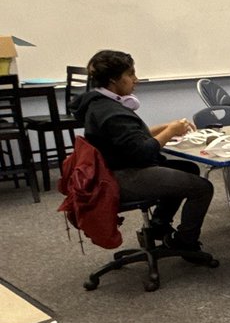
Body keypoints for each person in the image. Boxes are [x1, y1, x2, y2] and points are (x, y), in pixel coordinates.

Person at [73, 49, 214, 252]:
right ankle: (185, 242)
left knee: (188, 168)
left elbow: (131, 138)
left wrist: (166, 127)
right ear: (114, 80)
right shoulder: (111, 112)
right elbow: (142, 152)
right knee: (202, 188)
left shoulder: (100, 104)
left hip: (112, 170)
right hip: (122, 176)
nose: (135, 80)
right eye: (130, 75)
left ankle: (158, 226)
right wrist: (171, 131)